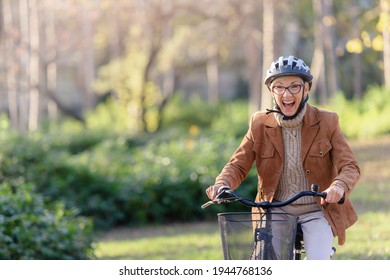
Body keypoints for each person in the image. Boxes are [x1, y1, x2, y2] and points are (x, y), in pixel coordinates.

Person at [205, 55, 360, 260]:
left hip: (316, 210)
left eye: (294, 86)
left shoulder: (327, 121)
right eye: (279, 87)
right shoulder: (259, 123)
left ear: (306, 89)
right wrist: (222, 183)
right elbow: (238, 164)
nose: (287, 94)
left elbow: (350, 166)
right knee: (266, 263)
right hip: (275, 211)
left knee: (318, 263)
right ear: (272, 91)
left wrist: (338, 186)